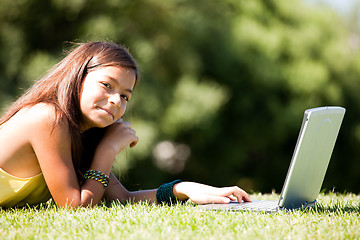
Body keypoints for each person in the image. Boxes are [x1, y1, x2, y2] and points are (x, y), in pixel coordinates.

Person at [0, 41, 251, 208]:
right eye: (107, 85)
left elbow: (121, 198)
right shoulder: (48, 118)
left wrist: (182, 189)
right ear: (77, 77)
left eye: (125, 96)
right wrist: (108, 150)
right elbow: (74, 206)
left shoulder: (81, 133)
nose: (115, 101)